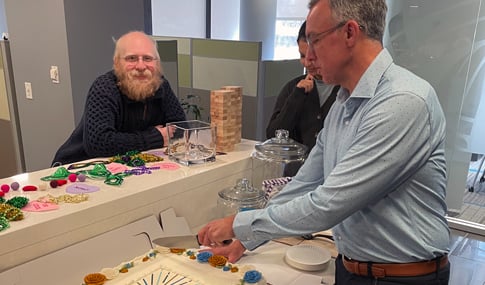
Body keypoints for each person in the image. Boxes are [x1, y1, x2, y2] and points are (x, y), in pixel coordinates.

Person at [197, 0, 451, 284]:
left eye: (314, 40)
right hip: (351, 268)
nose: (307, 59)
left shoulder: (402, 102)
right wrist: (247, 239)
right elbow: (306, 181)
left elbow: (329, 204)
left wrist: (239, 223)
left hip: (402, 277)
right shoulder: (344, 103)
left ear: (349, 33)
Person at [52, 31, 186, 166]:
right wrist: (155, 137)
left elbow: (181, 129)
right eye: (132, 58)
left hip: (129, 166)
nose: (141, 66)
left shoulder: (160, 85)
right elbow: (99, 144)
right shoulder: (104, 87)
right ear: (117, 63)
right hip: (77, 169)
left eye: (147, 58)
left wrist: (124, 141)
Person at [266, 21, 338, 153]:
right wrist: (297, 97)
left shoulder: (346, 90)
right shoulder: (292, 88)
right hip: (296, 170)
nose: (307, 62)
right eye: (302, 55)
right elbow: (273, 136)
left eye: (313, 56)